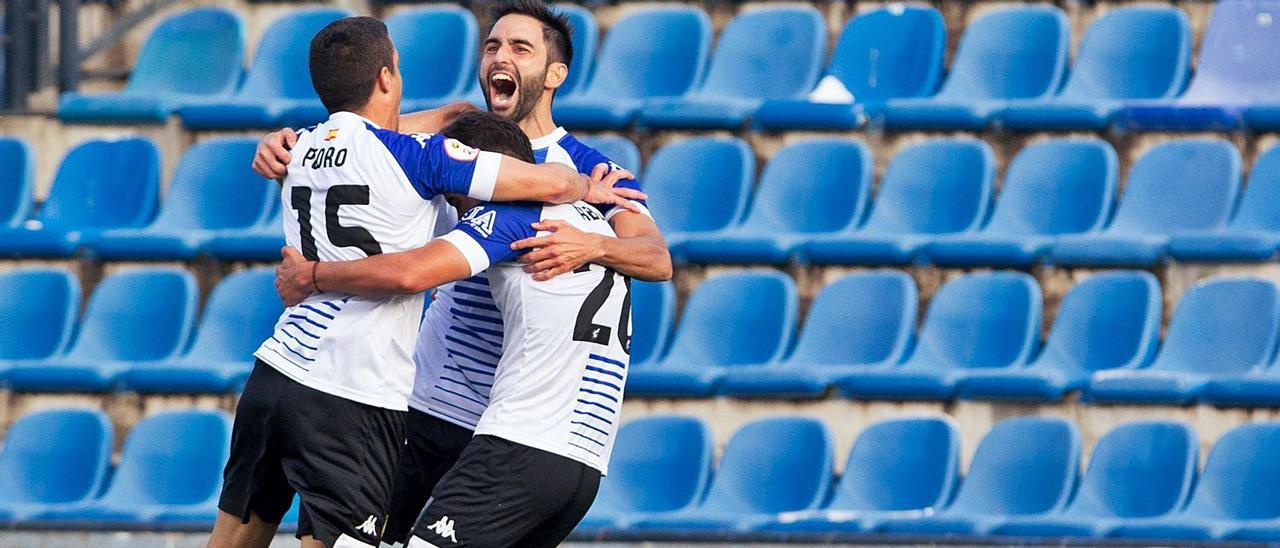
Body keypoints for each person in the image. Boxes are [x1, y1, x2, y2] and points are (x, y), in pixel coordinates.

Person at [207, 17, 639, 548]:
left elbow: (656, 258)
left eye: (519, 48)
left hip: (368, 390)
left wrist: (311, 272)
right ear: (387, 78)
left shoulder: (327, 151)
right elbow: (453, 127)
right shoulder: (439, 153)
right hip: (412, 400)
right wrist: (584, 196)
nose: (500, 56)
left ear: (555, 72)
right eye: (492, 45)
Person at [274, 110, 631, 548]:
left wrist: (312, 274)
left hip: (522, 443)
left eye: (460, 195)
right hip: (585, 461)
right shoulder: (595, 222)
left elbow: (412, 274)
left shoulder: (513, 216)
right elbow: (656, 257)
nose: (457, 206)